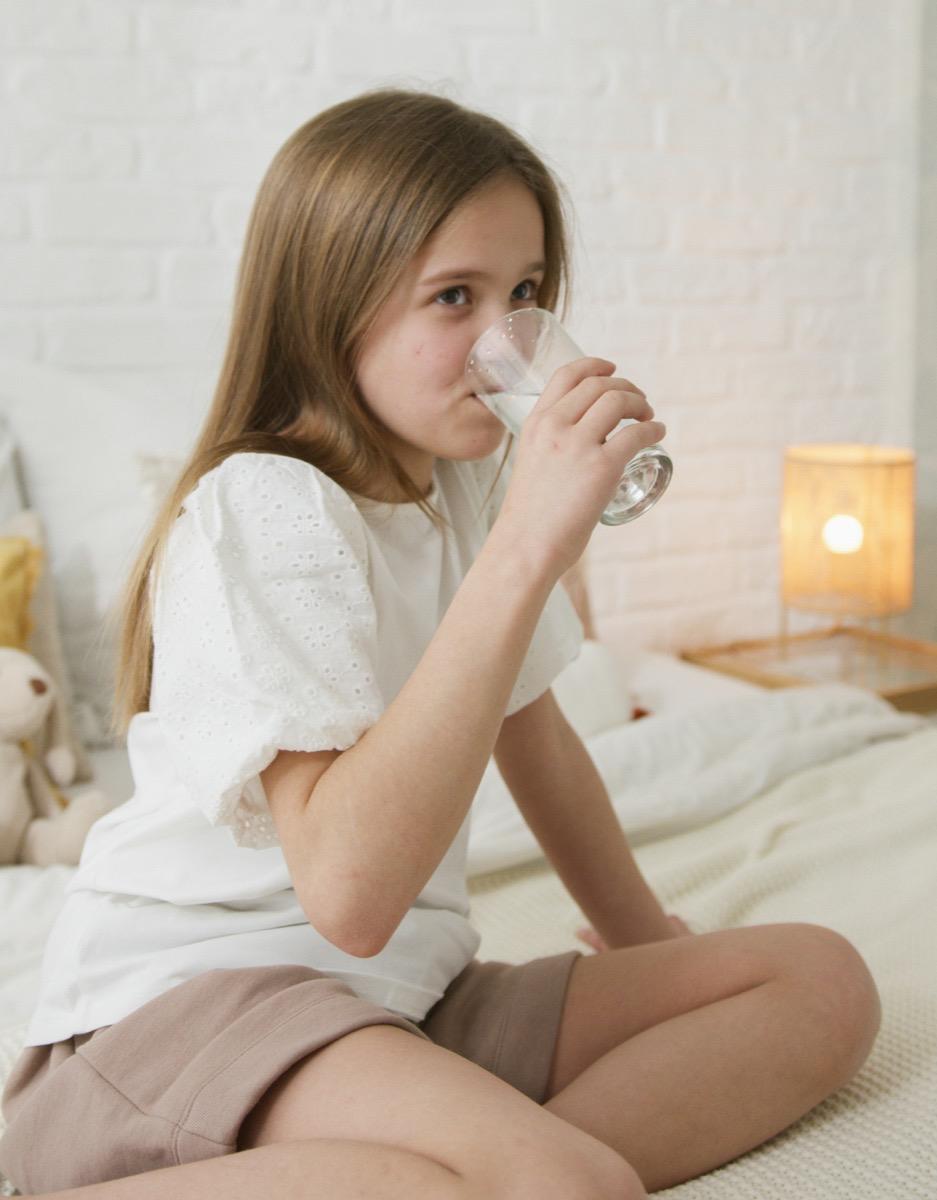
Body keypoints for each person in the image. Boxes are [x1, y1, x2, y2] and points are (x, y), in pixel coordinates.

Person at [0, 89, 880, 1200]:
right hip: (193, 1008)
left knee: (819, 981)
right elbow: (348, 896)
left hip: (400, 997)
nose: (500, 342)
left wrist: (644, 940)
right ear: (331, 309)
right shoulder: (267, 505)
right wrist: (526, 548)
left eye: (524, 294)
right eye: (451, 297)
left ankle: (484, 1163)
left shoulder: (460, 487)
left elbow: (537, 737)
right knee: (562, 1182)